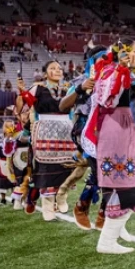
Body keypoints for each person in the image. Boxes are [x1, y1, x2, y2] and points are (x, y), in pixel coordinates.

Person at [82, 40, 135, 254]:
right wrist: (121, 69)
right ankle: (107, 241)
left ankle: (115, 232)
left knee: (121, 183)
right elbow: (107, 100)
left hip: (121, 128)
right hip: (117, 129)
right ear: (124, 53)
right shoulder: (111, 71)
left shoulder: (115, 71)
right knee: (129, 184)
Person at [57, 44, 107, 230]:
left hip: (109, 129)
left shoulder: (114, 78)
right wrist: (80, 88)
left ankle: (101, 212)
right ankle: (83, 207)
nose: (107, 61)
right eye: (102, 58)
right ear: (93, 61)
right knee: (101, 171)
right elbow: (62, 106)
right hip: (85, 129)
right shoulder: (83, 79)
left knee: (109, 171)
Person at [19, 61, 75, 221]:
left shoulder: (69, 89)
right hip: (45, 133)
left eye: (59, 68)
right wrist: (23, 92)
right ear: (45, 73)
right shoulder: (38, 89)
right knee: (46, 168)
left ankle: (62, 196)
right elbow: (24, 105)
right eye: (52, 68)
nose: (57, 70)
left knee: (66, 167)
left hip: (66, 132)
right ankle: (47, 205)